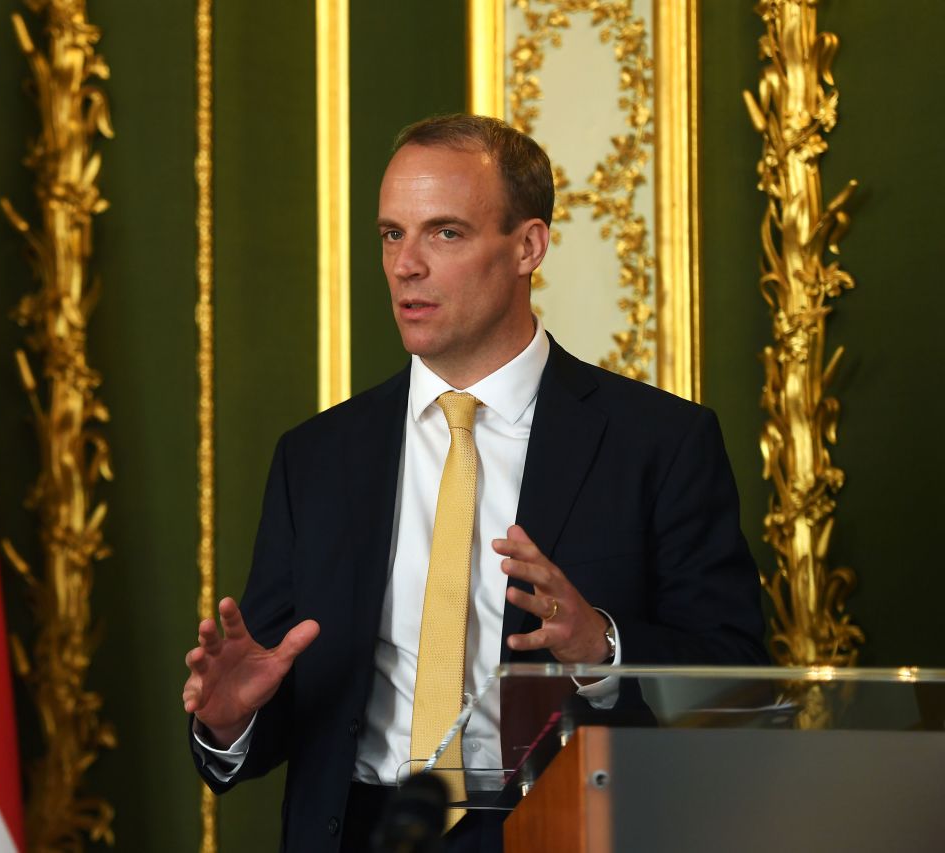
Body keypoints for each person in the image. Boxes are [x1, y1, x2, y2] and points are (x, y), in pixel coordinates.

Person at [181, 114, 766, 853]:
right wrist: (231, 720)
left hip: (560, 830)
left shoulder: (660, 442)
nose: (405, 265)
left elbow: (741, 682)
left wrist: (604, 648)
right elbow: (284, 704)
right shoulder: (317, 457)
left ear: (529, 246)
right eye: (392, 234)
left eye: (444, 233)